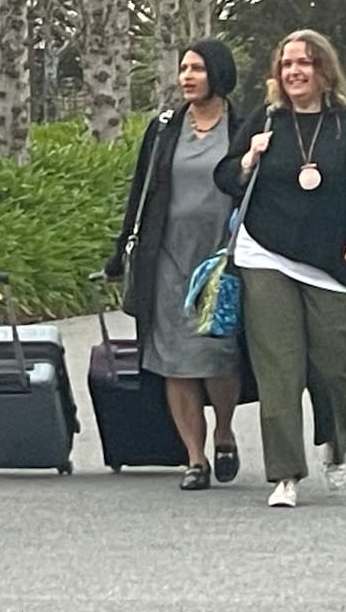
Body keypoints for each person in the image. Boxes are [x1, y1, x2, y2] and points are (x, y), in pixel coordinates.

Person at [214, 28, 346, 509]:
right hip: (265, 252)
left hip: (331, 262)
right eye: (287, 63)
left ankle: (335, 441)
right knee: (279, 370)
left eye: (305, 63)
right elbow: (226, 177)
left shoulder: (345, 125)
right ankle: (286, 473)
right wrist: (250, 156)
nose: (294, 71)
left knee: (333, 367)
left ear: (323, 71)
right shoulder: (266, 118)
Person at [104, 39, 246, 490]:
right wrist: (120, 247)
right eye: (183, 68)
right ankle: (194, 457)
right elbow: (141, 191)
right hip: (166, 256)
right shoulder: (165, 127)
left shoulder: (244, 125)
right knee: (173, 359)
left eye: (197, 69)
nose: (187, 77)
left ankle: (223, 430)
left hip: (222, 256)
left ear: (218, 74)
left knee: (217, 355)